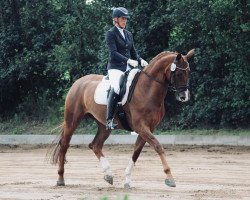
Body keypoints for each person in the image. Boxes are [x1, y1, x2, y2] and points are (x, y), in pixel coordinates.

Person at [105, 7, 148, 130]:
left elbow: (133, 52)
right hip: (115, 68)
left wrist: (141, 60)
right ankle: (109, 120)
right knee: (117, 87)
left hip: (129, 68)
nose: (125, 21)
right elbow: (113, 53)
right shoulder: (111, 33)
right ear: (116, 19)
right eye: (122, 18)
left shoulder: (128, 34)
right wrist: (128, 60)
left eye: (125, 19)